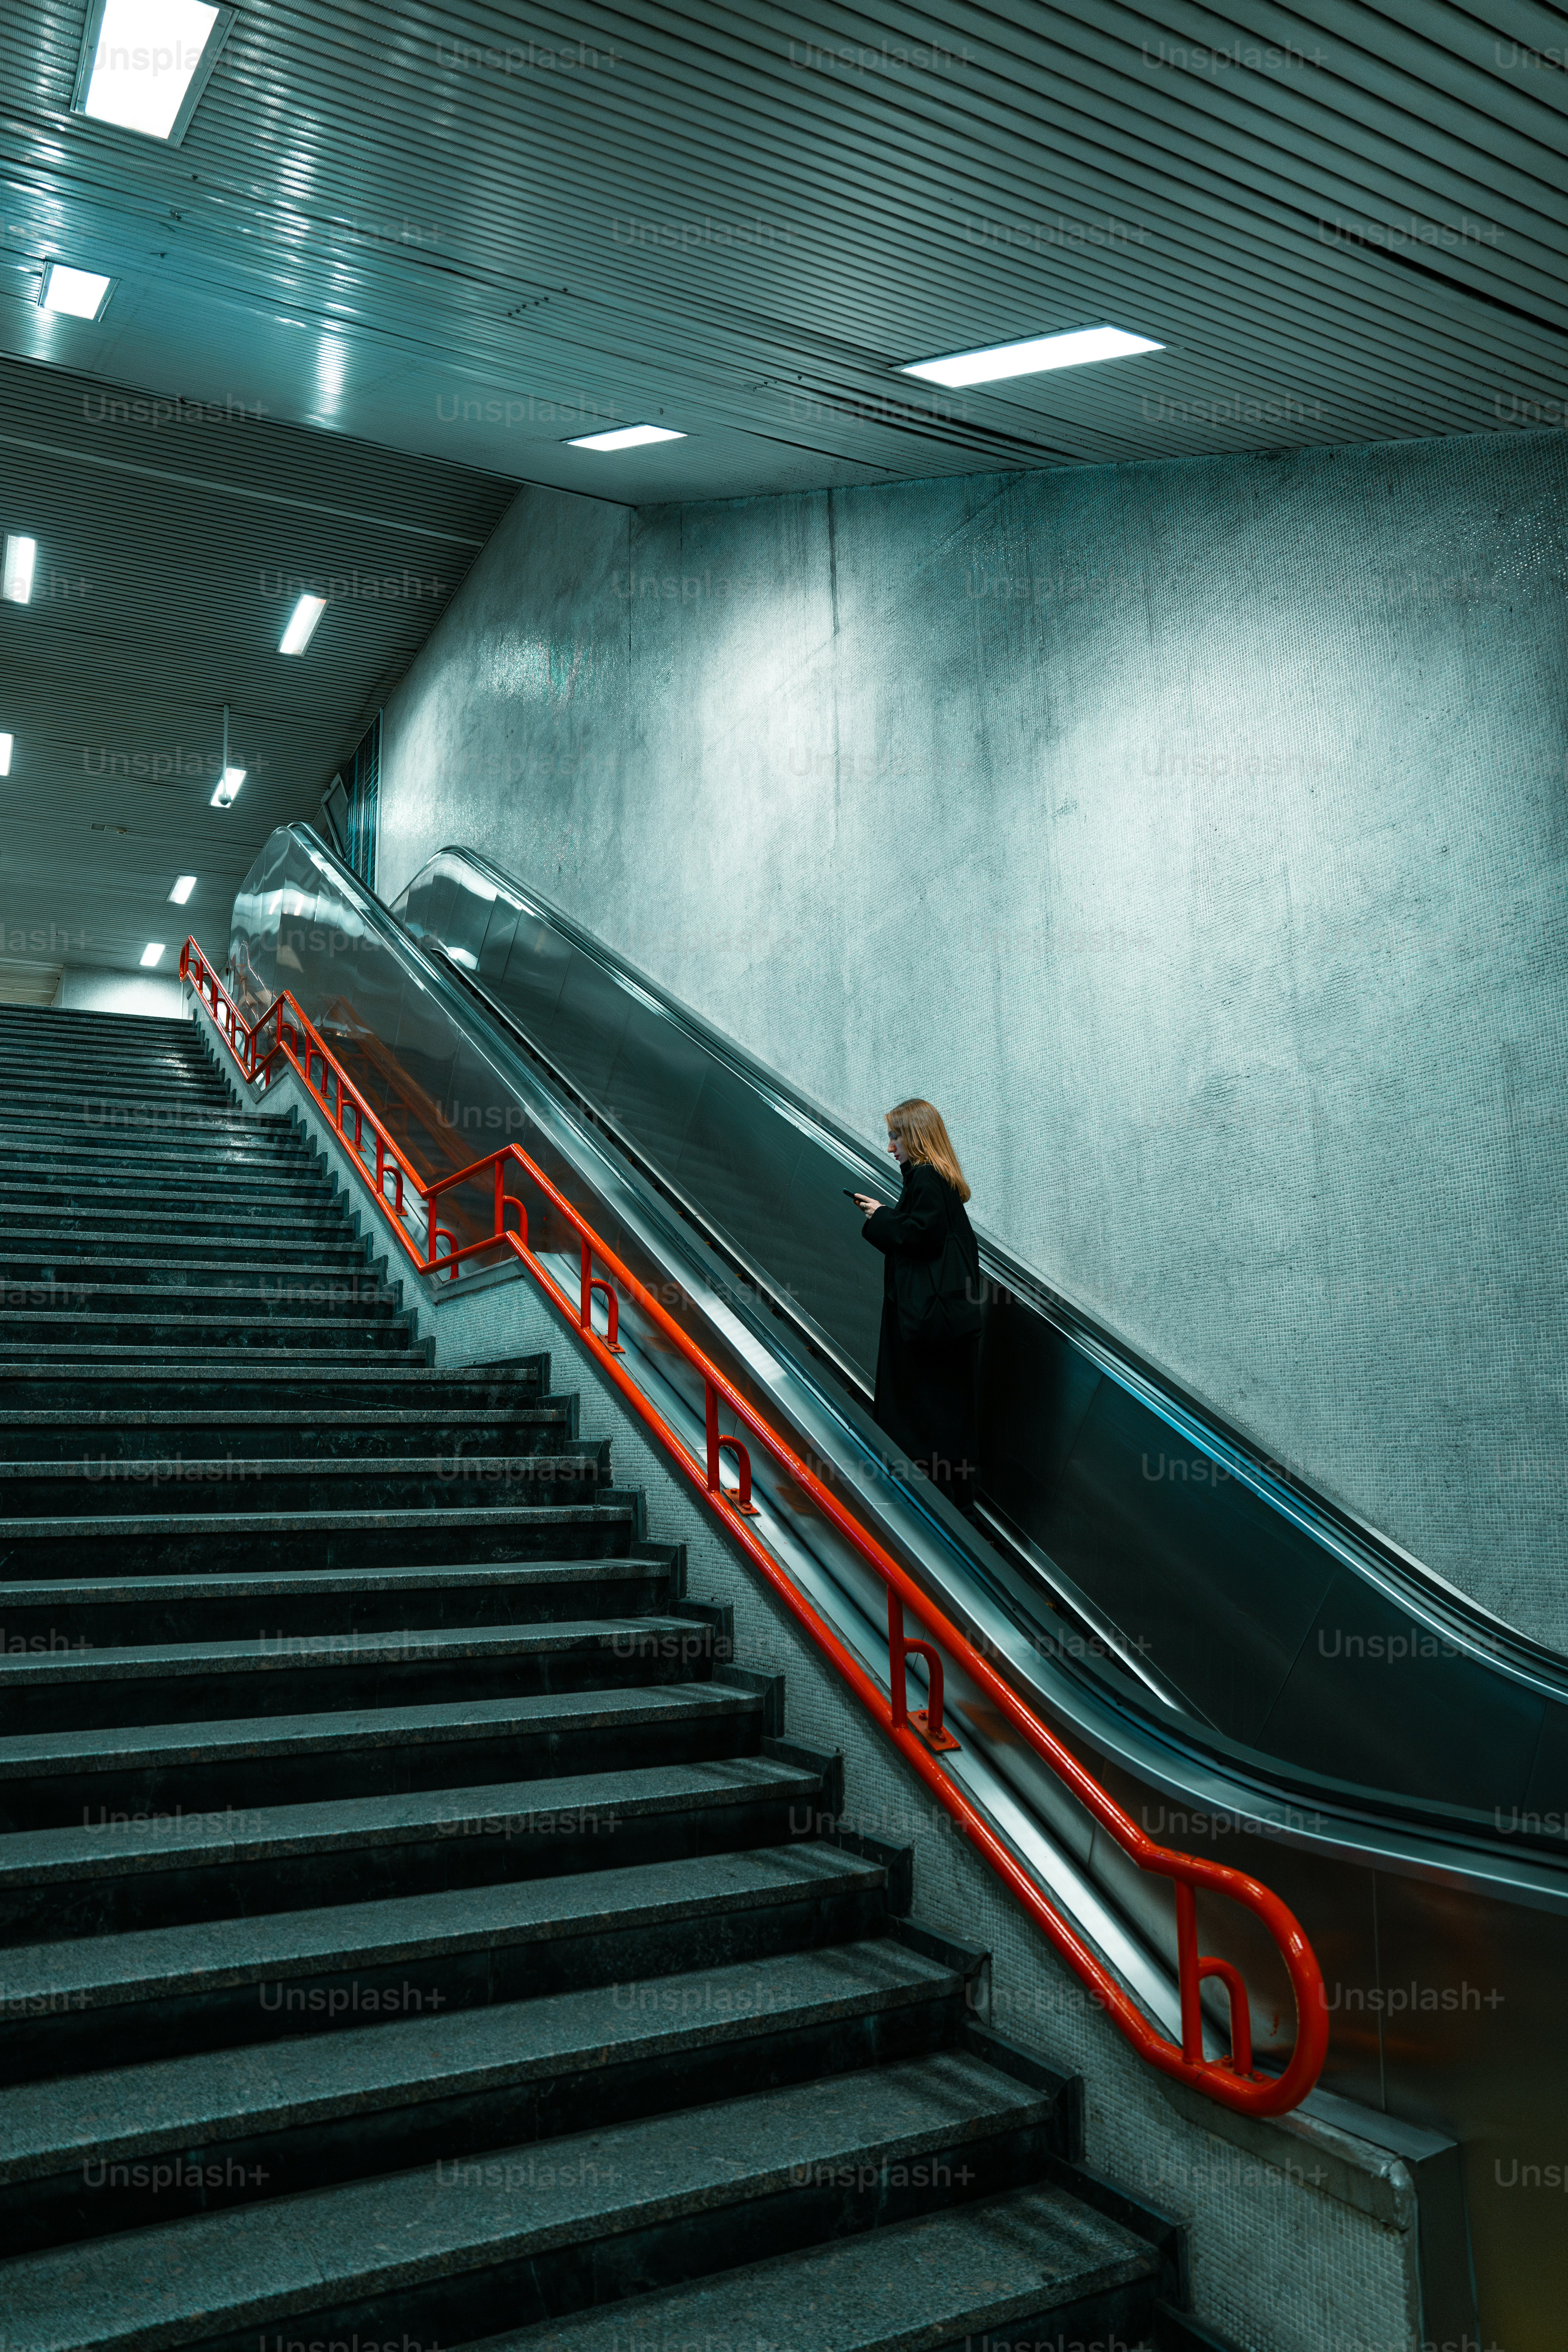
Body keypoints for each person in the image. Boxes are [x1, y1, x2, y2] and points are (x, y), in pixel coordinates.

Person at [854, 1097, 981, 1520]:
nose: (891, 1148)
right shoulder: (939, 1179)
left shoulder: (926, 1178)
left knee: (918, 1416)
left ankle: (923, 1513)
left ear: (917, 1135)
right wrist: (888, 1214)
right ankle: (954, 1506)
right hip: (947, 1330)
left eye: (896, 1136)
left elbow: (920, 1235)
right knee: (945, 1418)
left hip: (925, 1330)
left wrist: (880, 1217)